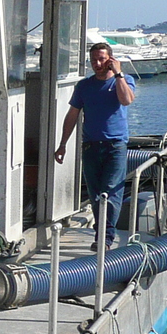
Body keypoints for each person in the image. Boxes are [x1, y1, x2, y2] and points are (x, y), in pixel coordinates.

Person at [54, 42, 137, 248]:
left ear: (110, 60)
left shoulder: (125, 80)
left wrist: (118, 74)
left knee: (110, 191)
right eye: (94, 60)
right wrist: (63, 144)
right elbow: (72, 115)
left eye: (102, 59)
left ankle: (104, 238)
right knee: (95, 194)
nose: (97, 64)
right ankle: (102, 233)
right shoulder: (84, 86)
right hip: (91, 145)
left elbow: (126, 100)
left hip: (115, 145)